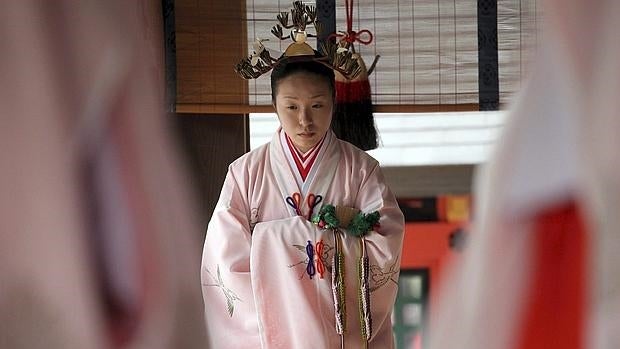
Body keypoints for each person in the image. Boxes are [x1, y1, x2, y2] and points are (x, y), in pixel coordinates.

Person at [200, 13, 404, 347]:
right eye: (291, 106)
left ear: (334, 103)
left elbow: (385, 242)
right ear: (275, 106)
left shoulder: (362, 169)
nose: (304, 120)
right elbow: (225, 261)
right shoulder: (244, 172)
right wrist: (322, 234)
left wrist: (273, 242)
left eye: (317, 105)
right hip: (271, 335)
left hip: (338, 333)